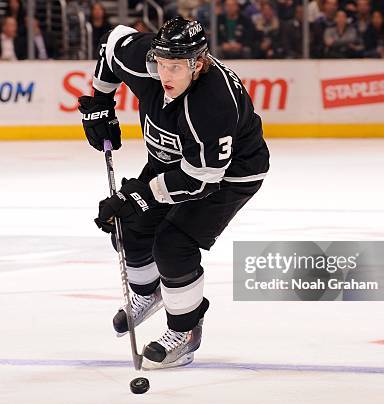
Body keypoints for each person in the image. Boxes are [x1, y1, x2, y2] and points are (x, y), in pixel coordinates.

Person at [78, 17, 269, 369]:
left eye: (176, 67)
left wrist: (139, 196)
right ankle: (147, 293)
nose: (165, 74)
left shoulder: (213, 103)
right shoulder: (148, 63)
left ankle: (185, 331)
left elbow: (200, 180)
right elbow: (112, 43)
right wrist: (100, 102)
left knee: (173, 243)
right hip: (172, 161)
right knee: (130, 229)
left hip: (228, 175)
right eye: (161, 63)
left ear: (198, 64)